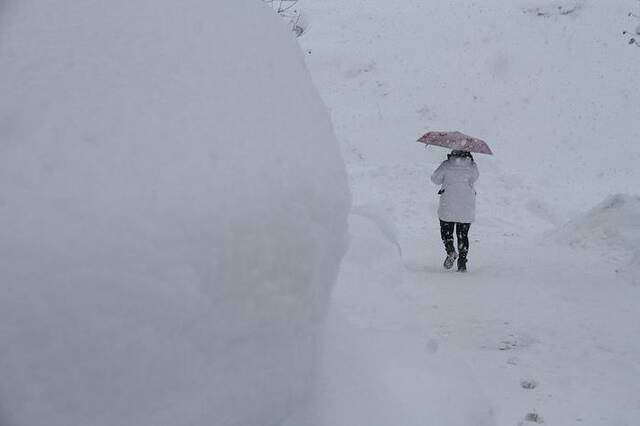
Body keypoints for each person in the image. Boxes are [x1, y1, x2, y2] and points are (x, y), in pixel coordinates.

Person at [430, 150, 479, 272]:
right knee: (463, 235)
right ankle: (462, 262)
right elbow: (475, 178)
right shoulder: (472, 166)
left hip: (448, 204)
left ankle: (450, 250)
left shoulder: (446, 164)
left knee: (446, 231)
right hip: (466, 206)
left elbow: (435, 179)